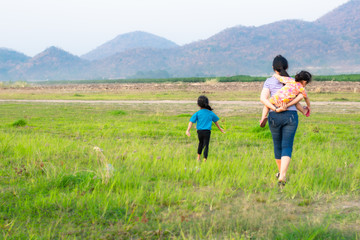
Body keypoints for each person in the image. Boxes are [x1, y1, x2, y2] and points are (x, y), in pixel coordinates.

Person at [260, 55, 305, 186]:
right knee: (287, 146)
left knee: (277, 145)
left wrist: (275, 109)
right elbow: (298, 101)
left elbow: (263, 99)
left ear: (273, 68)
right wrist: (304, 110)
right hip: (290, 116)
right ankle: (282, 176)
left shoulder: (269, 81)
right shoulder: (293, 81)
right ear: (286, 67)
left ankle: (281, 173)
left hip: (274, 115)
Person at [186, 95, 225, 162]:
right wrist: (220, 129)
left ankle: (198, 158)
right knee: (206, 145)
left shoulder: (197, 113)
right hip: (207, 132)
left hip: (199, 132)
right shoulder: (210, 113)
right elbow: (216, 121)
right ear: (207, 104)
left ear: (198, 105)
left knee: (200, 143)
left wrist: (188, 130)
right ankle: (205, 159)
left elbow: (191, 122)